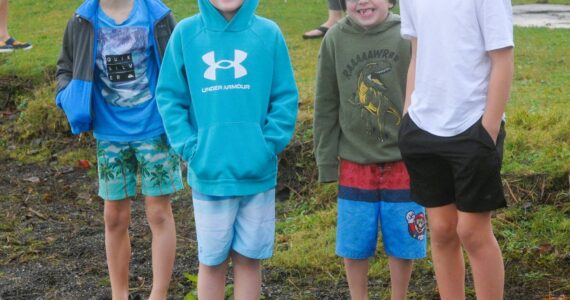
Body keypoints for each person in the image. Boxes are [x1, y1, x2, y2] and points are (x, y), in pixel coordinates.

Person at [155, 0, 298, 298]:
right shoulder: (185, 34)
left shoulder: (269, 34)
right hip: (210, 174)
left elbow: (285, 97)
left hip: (256, 174)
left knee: (248, 260)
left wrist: (267, 145)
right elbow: (169, 97)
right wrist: (191, 148)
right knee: (211, 260)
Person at [55, 0, 181, 299]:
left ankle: (159, 294)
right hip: (109, 133)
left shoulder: (158, 16)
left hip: (154, 130)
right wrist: (67, 97)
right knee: (114, 216)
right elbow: (65, 68)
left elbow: (179, 68)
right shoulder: (82, 19)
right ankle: (119, 294)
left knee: (159, 213)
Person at [398, 0, 514, 298]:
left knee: (473, 233)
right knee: (441, 229)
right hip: (422, 127)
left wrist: (487, 130)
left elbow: (502, 57)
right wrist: (407, 114)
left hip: (472, 128)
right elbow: (417, 51)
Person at [313, 0, 426, 298]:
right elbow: (325, 102)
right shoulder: (335, 39)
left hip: (404, 162)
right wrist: (326, 160)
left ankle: (398, 296)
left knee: (403, 240)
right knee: (354, 242)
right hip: (354, 163)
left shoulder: (408, 33)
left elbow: (427, 90)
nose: (362, 1)